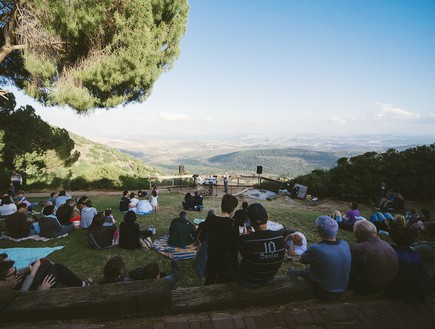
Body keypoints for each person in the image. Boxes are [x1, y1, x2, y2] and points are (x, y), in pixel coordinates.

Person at [287, 216, 351, 300]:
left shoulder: (316, 248)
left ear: (320, 232)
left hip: (324, 291)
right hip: (342, 288)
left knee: (293, 272)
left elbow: (301, 260)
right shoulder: (344, 244)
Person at [237, 203, 285, 287]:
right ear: (267, 216)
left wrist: (246, 236)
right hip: (269, 279)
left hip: (249, 281)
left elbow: (245, 255)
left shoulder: (246, 240)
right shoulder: (280, 236)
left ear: (249, 220)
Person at [348, 220, 399, 294]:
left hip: (369, 286)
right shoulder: (386, 244)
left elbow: (348, 267)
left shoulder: (359, 248)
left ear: (358, 232)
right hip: (388, 284)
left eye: (354, 229)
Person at [198, 194, 239, 285]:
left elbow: (201, 238)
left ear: (222, 205)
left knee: (210, 280)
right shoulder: (233, 224)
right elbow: (234, 247)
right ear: (232, 209)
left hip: (212, 255)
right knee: (223, 283)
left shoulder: (210, 219)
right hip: (225, 258)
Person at [0, 253, 92, 291]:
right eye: (12, 273)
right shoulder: (5, 297)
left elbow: (18, 272)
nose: (16, 273)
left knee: (45, 264)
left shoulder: (7, 281)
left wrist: (32, 267)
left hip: (22, 287)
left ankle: (50, 268)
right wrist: (40, 292)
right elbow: (22, 298)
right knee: (58, 268)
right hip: (32, 294)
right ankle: (83, 285)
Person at [384, 227, 427, 301]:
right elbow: (421, 274)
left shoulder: (392, 252)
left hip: (396, 290)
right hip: (416, 291)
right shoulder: (416, 255)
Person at [412, 221, 435, 291]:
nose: (419, 232)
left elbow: (405, 251)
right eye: (419, 229)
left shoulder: (425, 248)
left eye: (423, 231)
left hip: (427, 283)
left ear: (433, 235)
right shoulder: (429, 245)